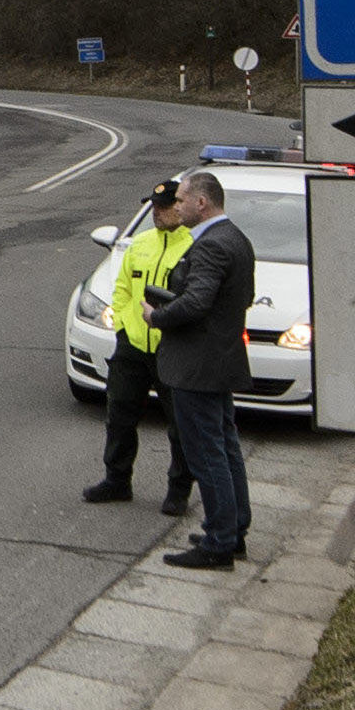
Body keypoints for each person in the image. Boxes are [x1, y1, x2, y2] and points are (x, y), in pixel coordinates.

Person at [140, 171, 257, 568]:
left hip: (196, 366)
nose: (178, 206)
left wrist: (158, 316)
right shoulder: (236, 239)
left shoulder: (210, 247)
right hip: (219, 359)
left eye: (183, 200)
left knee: (207, 453)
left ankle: (219, 542)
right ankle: (234, 528)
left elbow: (196, 303)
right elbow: (241, 297)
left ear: (202, 203)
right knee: (225, 448)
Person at [83, 181, 203, 515]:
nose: (157, 212)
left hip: (172, 349)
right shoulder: (141, 244)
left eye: (163, 206)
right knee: (119, 416)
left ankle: (178, 491)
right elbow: (122, 289)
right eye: (154, 206)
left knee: (180, 425)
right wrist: (123, 326)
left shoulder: (193, 247)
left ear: (180, 207)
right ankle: (117, 480)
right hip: (133, 346)